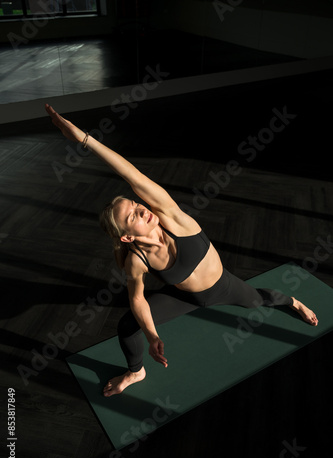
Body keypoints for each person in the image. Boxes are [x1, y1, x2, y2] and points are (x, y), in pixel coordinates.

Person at [45, 103, 318, 397]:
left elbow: (132, 177)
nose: (142, 210)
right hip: (187, 297)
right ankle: (136, 372)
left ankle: (293, 302)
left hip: (222, 286)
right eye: (133, 216)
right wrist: (152, 337)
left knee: (256, 301)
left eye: (138, 205)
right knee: (127, 326)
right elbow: (137, 300)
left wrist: (85, 139)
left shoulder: (173, 218)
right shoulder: (136, 260)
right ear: (126, 237)